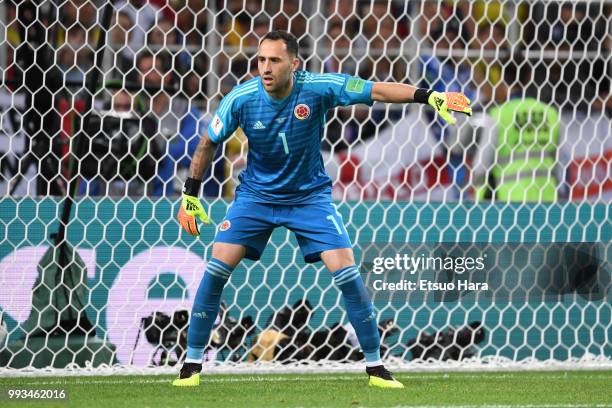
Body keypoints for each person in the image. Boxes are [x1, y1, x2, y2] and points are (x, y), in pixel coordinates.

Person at [172, 30, 471, 388]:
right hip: (256, 197)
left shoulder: (318, 87)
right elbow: (207, 142)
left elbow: (375, 89)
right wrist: (191, 196)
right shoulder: (242, 98)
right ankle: (191, 365)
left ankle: (376, 367)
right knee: (217, 267)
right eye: (261, 60)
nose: (265, 68)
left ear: (294, 64)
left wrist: (429, 96)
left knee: (347, 273)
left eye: (275, 60)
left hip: (308, 198)